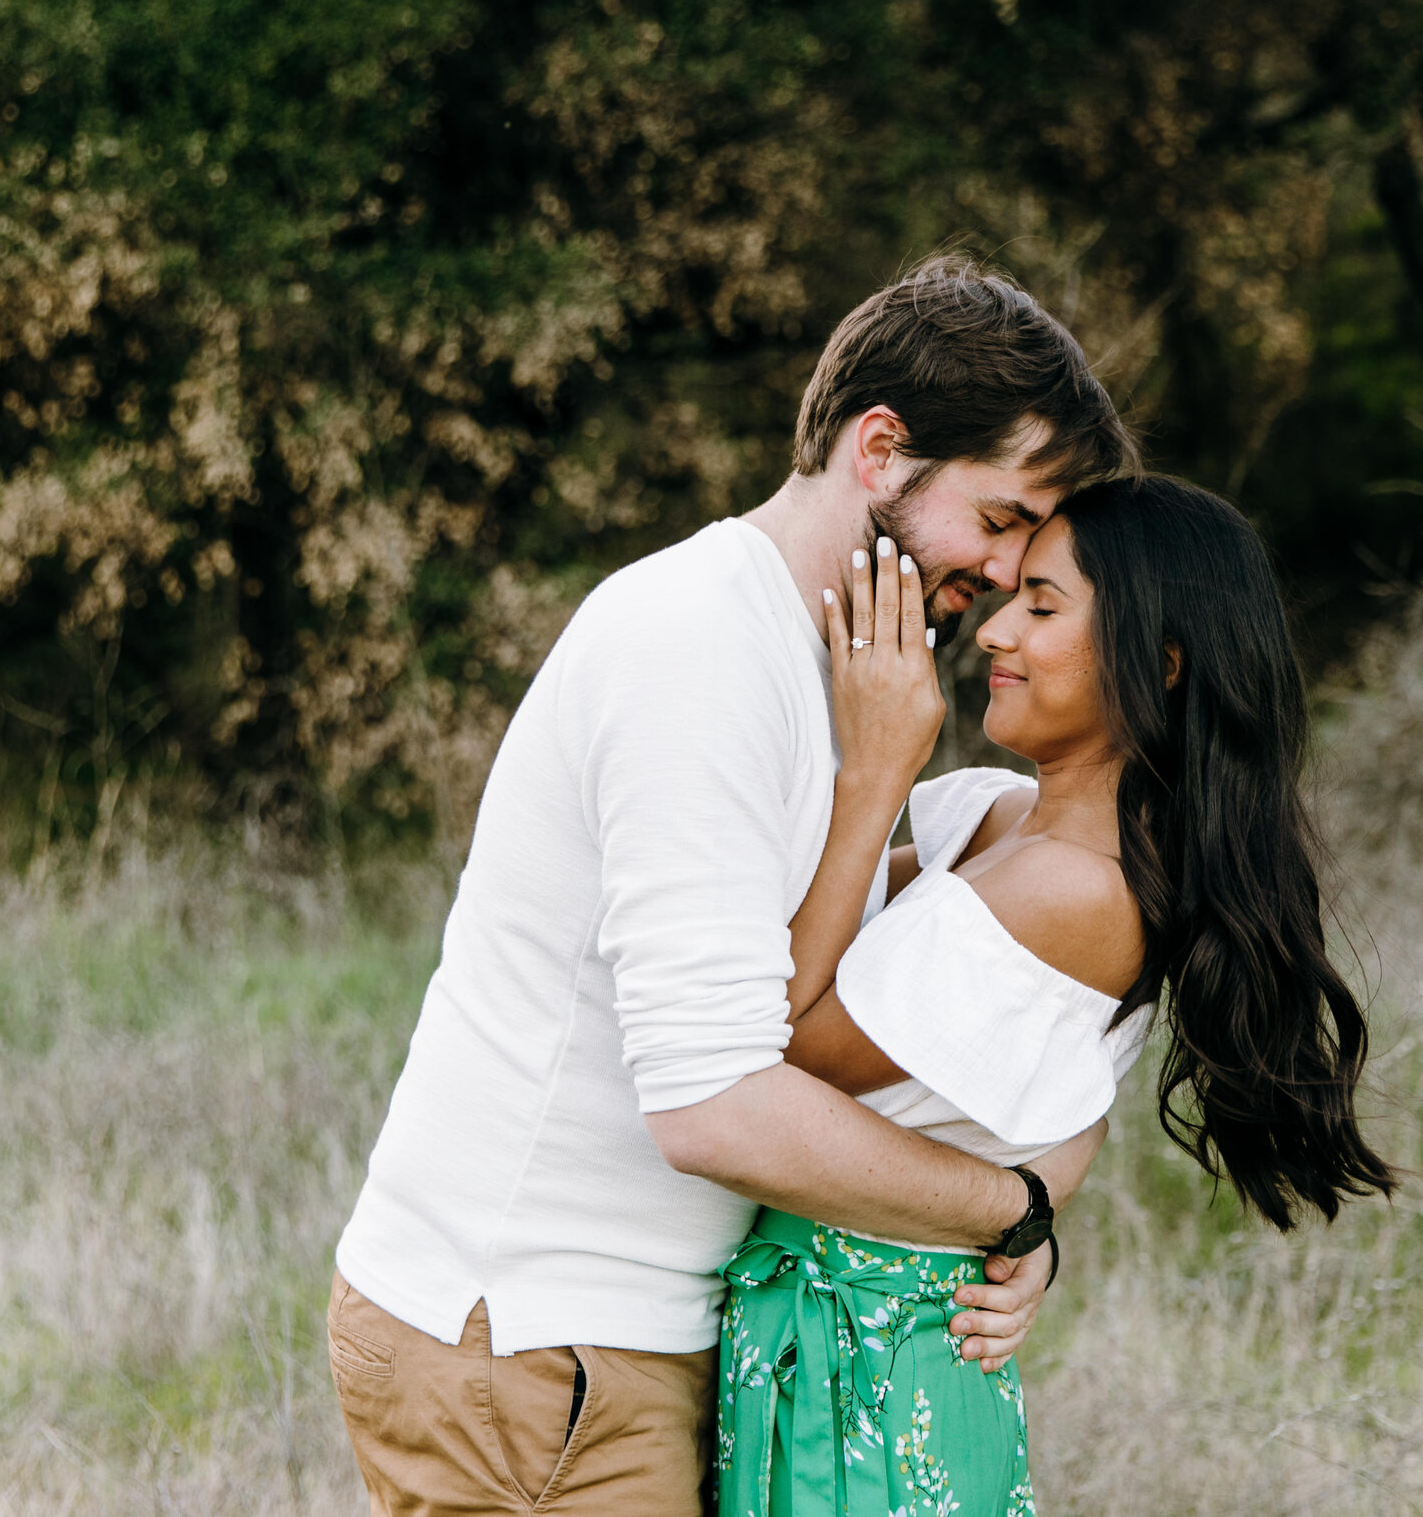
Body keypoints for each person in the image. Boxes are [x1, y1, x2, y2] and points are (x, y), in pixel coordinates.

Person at [327, 255, 1137, 1516]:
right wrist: (1003, 1207)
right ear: (880, 451)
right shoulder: (696, 648)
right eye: (995, 519)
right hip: (534, 1340)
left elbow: (901, 970)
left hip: (620, 1331)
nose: (995, 581)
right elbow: (713, 1103)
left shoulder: (826, 661)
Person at [717, 474, 1396, 1516]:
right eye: (1008, 597)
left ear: (1158, 665)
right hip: (822, 1342)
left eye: (1041, 605)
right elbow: (787, 922)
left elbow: (780, 1047)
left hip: (872, 1370)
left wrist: (874, 772)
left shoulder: (1076, 889)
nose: (994, 631)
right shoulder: (997, 817)